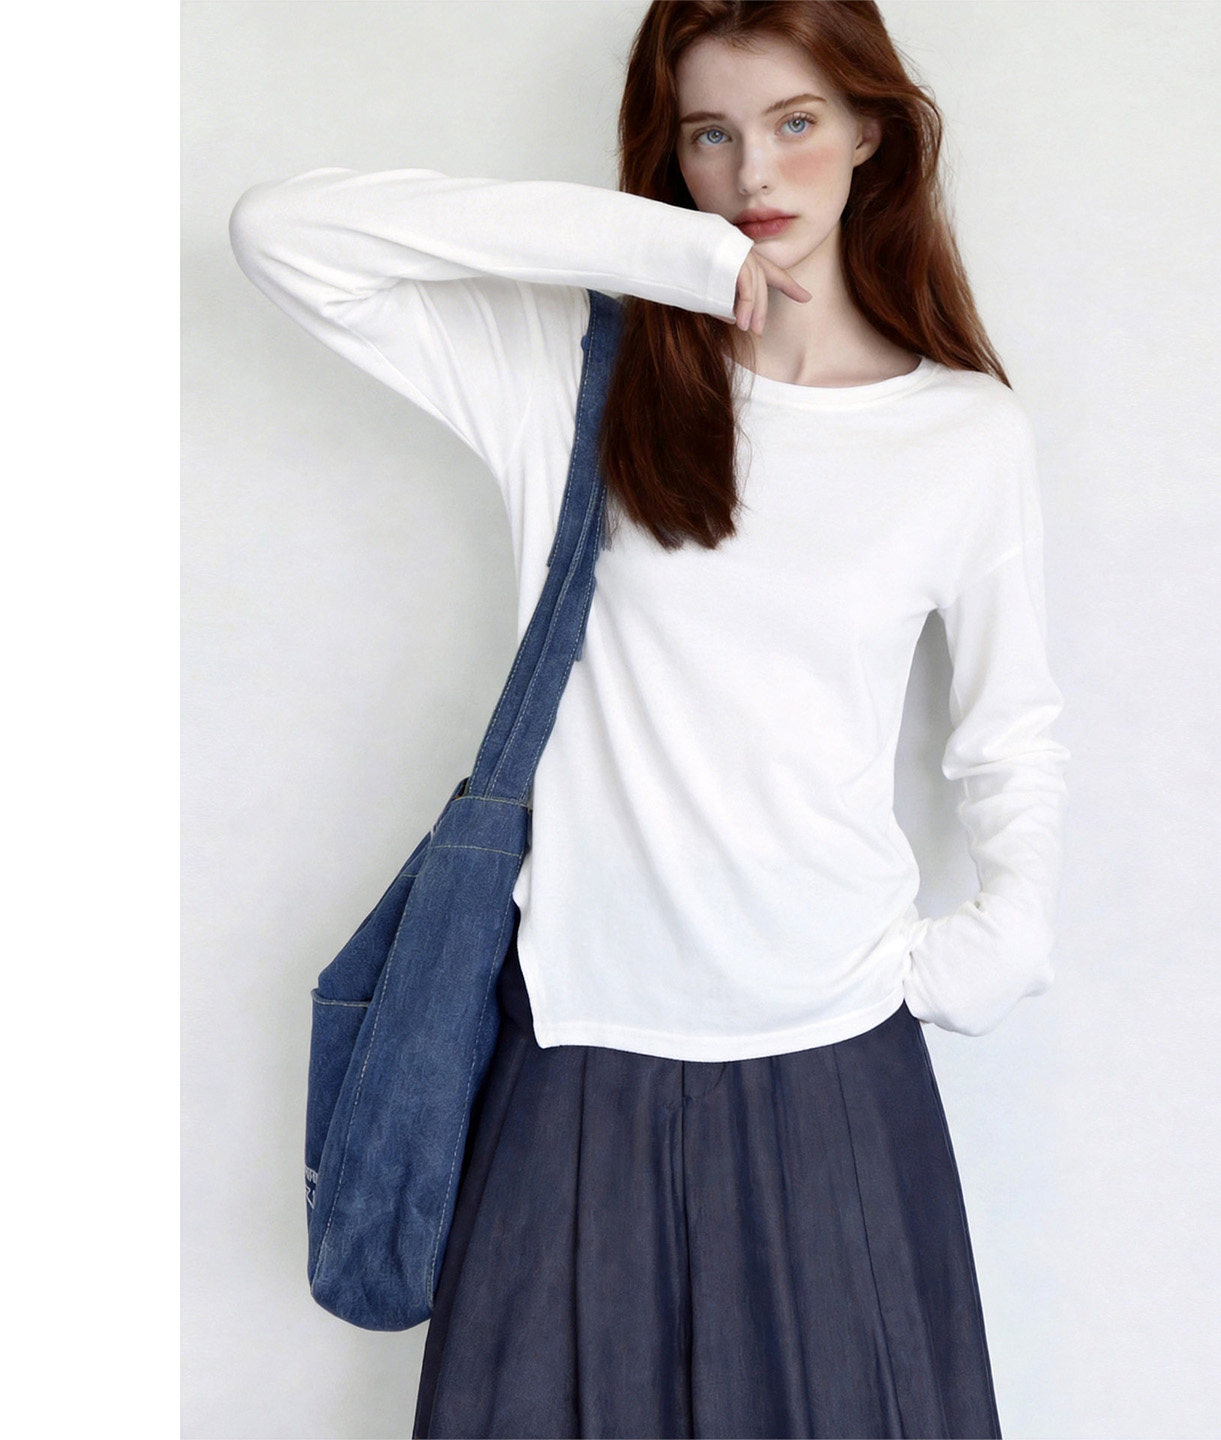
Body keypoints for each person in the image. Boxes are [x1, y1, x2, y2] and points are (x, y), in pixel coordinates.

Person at [229, 2, 1068, 1435]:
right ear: (668, 157)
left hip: (834, 1044)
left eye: (797, 122)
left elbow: (1010, 728)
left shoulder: (962, 435)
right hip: (578, 1041)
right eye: (711, 135)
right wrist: (668, 254)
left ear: (870, 131)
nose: (757, 173)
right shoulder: (575, 381)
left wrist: (1011, 932)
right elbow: (283, 233)